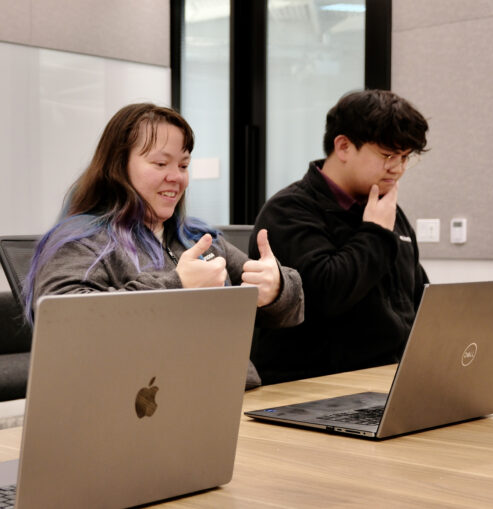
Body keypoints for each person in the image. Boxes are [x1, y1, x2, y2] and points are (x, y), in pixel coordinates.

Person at [24, 103, 304, 387]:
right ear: (118, 167)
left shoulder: (197, 237)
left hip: (229, 396)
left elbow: (292, 311)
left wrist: (277, 286)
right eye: (160, 164)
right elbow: (63, 326)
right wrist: (178, 285)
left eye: (183, 165)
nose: (177, 177)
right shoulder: (81, 240)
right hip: (134, 408)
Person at [250, 89, 429, 384]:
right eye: (388, 155)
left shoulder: (382, 210)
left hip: (389, 380)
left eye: (405, 157)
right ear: (344, 147)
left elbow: (417, 300)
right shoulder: (288, 211)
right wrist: (375, 234)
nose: (397, 169)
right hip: (313, 389)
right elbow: (326, 295)